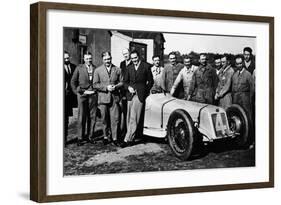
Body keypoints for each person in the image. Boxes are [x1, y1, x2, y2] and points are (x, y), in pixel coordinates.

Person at [120, 50, 153, 148]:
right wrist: (128, 88)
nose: (134, 60)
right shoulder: (129, 68)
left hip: (140, 95)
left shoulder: (146, 66)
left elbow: (150, 81)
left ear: (139, 57)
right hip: (130, 95)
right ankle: (131, 136)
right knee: (129, 116)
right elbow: (125, 82)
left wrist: (144, 91)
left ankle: (127, 139)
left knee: (134, 117)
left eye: (135, 58)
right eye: (132, 58)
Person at [93, 52, 123, 146]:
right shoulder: (98, 70)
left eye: (109, 59)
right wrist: (106, 87)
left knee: (115, 119)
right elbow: (95, 84)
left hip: (114, 98)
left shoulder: (117, 69)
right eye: (105, 59)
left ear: (111, 58)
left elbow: (122, 82)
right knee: (104, 119)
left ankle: (114, 138)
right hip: (103, 98)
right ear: (103, 60)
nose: (107, 61)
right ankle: (106, 136)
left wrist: (116, 86)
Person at [71, 51, 97, 146]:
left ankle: (90, 136)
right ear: (84, 59)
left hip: (93, 95)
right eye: (87, 59)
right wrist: (77, 92)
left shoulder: (95, 68)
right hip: (82, 95)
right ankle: (80, 138)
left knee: (92, 117)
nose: (89, 60)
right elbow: (73, 82)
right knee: (81, 117)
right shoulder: (79, 68)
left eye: (90, 58)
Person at [231, 55, 254, 120]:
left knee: (247, 118)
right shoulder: (234, 75)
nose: (239, 65)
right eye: (237, 64)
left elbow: (252, 89)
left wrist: (249, 101)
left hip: (245, 101)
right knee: (237, 118)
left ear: (243, 63)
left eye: (240, 63)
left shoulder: (248, 74)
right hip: (236, 100)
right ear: (235, 64)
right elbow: (232, 90)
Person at [64, 51, 77, 147]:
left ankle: (64, 139)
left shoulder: (73, 67)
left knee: (66, 120)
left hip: (69, 98)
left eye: (68, 58)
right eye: (65, 59)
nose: (66, 60)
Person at [119, 49, 133, 140]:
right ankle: (123, 131)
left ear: (130, 54)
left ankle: (130, 132)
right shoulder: (122, 63)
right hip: (124, 90)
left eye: (127, 54)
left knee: (130, 113)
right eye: (124, 54)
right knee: (124, 112)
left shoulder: (134, 62)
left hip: (131, 89)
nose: (125, 55)